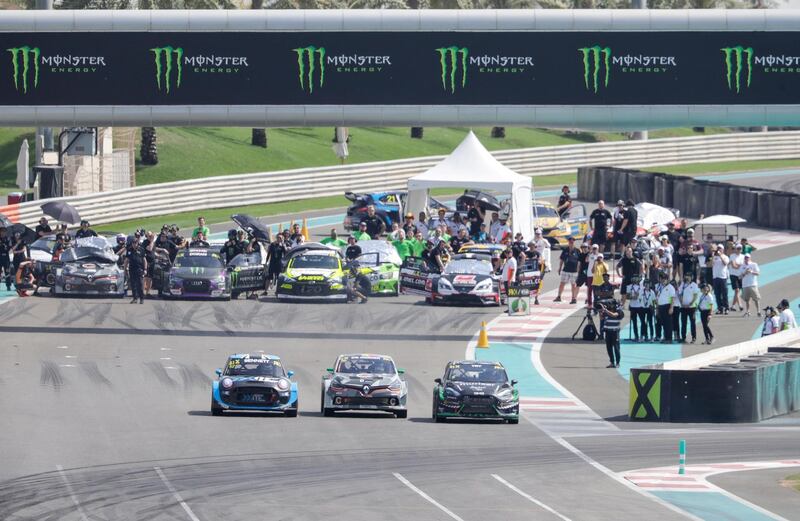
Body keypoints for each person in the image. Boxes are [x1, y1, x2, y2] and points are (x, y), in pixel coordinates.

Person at [599, 300, 623, 368]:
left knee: (616, 348)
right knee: (609, 348)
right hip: (608, 332)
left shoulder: (619, 311)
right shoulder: (607, 311)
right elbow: (601, 318)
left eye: (611, 304)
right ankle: (612, 362)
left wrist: (606, 310)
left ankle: (618, 363)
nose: (610, 306)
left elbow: (614, 315)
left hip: (615, 332)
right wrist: (601, 310)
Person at [555, 237, 580, 304]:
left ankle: (573, 298)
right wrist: (560, 268)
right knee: (562, 283)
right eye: (570, 242)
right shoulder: (565, 250)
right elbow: (561, 260)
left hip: (574, 270)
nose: (571, 243)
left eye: (572, 242)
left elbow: (580, 261)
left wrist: (579, 270)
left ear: (574, 242)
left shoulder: (577, 250)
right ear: (568, 242)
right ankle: (559, 296)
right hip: (565, 270)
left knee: (573, 285)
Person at [678, 274, 700, 343]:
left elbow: (696, 295)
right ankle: (683, 337)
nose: (687, 278)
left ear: (691, 277)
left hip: (691, 307)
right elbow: (679, 294)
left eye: (689, 276)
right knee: (683, 323)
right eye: (686, 276)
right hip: (683, 307)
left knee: (692, 322)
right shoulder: (682, 284)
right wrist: (681, 303)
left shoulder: (694, 285)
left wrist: (691, 303)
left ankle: (693, 337)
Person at [124, 235, 147, 304]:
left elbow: (144, 260)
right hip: (132, 269)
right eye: (133, 243)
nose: (134, 244)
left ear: (137, 243)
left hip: (139, 269)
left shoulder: (141, 250)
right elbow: (126, 260)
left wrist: (145, 269)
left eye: (135, 243)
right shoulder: (129, 250)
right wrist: (125, 269)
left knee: (140, 284)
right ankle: (135, 298)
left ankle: (142, 298)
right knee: (133, 284)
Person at [625, 274, 647, 342]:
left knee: (643, 321)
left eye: (636, 278)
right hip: (633, 306)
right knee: (634, 322)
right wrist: (632, 297)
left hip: (640, 306)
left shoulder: (642, 287)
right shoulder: (629, 287)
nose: (635, 279)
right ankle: (636, 336)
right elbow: (627, 296)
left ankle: (643, 335)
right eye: (634, 278)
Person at [655, 273, 676, 343]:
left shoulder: (670, 287)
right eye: (661, 279)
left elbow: (673, 298)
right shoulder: (659, 287)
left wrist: (671, 308)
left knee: (668, 323)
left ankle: (669, 339)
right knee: (663, 323)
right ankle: (665, 337)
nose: (663, 280)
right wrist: (657, 308)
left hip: (667, 306)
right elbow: (658, 297)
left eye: (664, 279)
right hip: (660, 306)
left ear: (667, 280)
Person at [711, 244, 730, 314]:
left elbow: (725, 263)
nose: (719, 250)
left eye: (720, 248)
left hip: (723, 277)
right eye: (718, 248)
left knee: (724, 294)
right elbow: (711, 264)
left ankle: (726, 308)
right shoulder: (714, 257)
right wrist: (713, 256)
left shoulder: (725, 257)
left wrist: (720, 256)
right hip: (715, 277)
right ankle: (720, 308)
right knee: (717, 294)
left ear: (723, 250)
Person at [728, 244, 744, 312]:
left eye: (740, 248)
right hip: (733, 275)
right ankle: (740, 305)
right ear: (735, 249)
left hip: (740, 275)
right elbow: (734, 266)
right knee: (737, 290)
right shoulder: (732, 256)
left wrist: (739, 265)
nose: (739, 250)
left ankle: (733, 306)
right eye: (737, 248)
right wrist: (740, 265)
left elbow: (743, 265)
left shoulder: (743, 256)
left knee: (737, 291)